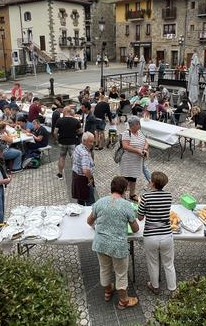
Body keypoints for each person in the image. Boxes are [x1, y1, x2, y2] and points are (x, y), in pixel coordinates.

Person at [86, 176, 140, 309]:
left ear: (112, 187)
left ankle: (108, 291)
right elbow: (135, 229)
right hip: (118, 246)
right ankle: (124, 301)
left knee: (104, 269)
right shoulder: (127, 206)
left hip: (100, 244)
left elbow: (89, 221)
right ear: (125, 190)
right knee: (120, 274)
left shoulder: (100, 202)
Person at [137, 171, 176, 294]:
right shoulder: (169, 196)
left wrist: (140, 204)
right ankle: (172, 289)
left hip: (151, 236)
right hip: (166, 235)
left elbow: (140, 217)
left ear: (152, 183)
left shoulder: (146, 197)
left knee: (153, 263)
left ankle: (155, 286)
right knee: (169, 264)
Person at [119, 116, 148, 202]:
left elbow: (146, 142)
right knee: (126, 178)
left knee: (133, 178)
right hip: (128, 161)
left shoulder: (140, 132)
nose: (139, 125)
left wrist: (145, 149)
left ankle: (132, 194)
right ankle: (122, 195)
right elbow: (125, 146)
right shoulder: (126, 133)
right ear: (133, 125)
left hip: (136, 161)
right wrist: (138, 151)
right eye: (138, 124)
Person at [55, 107, 81, 180]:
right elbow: (80, 131)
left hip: (62, 142)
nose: (62, 112)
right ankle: (74, 174)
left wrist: (57, 139)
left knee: (62, 157)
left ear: (66, 111)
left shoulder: (59, 120)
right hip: (72, 142)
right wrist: (75, 133)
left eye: (63, 111)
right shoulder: (75, 121)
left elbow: (55, 132)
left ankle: (60, 174)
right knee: (73, 157)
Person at [72, 132, 96, 206]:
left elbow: (72, 158)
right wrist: (90, 178)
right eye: (90, 142)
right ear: (84, 141)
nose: (92, 144)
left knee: (80, 201)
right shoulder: (84, 153)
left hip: (76, 176)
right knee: (91, 203)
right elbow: (85, 170)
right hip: (84, 179)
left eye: (93, 141)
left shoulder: (78, 147)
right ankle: (89, 217)